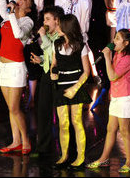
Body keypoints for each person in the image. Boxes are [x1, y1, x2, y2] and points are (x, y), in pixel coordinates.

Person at [86, 29, 130, 173]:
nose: (113, 41)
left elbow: (112, 76)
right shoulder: (117, 55)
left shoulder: (128, 58)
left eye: (117, 39)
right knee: (111, 129)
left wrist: (107, 57)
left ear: (126, 43)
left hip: (126, 97)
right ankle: (103, 158)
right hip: (117, 97)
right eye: (115, 38)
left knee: (124, 130)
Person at [0, 0, 35, 155]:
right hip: (3, 66)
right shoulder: (8, 16)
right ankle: (15, 141)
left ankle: (26, 141)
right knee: (10, 107)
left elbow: (18, 34)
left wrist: (12, 13)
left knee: (14, 107)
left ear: (29, 8)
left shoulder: (28, 21)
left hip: (16, 66)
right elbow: (1, 12)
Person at [51, 14, 91, 169]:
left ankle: (80, 158)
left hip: (76, 86)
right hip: (61, 86)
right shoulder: (57, 44)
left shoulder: (81, 46)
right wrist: (53, 73)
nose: (57, 27)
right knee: (63, 123)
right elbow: (54, 64)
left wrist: (75, 88)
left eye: (60, 25)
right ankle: (64, 156)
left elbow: (86, 72)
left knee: (76, 121)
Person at [30, 6, 64, 157]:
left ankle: (66, 150)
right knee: (43, 111)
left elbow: (55, 52)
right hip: (46, 75)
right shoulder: (48, 37)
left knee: (62, 115)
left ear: (57, 21)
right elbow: (48, 54)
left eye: (48, 19)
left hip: (60, 78)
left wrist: (43, 37)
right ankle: (43, 147)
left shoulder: (62, 36)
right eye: (44, 19)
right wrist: (41, 60)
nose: (45, 22)